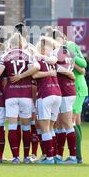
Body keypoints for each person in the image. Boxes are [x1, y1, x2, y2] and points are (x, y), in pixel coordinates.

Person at [0, 32, 40, 164]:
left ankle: (15, 157)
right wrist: (22, 75)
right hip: (26, 95)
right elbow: (37, 67)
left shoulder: (5, 56)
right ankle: (26, 157)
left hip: (11, 96)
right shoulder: (28, 55)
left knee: (12, 127)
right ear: (22, 43)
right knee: (26, 128)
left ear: (10, 43)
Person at [47, 29, 87, 164]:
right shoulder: (63, 50)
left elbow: (83, 67)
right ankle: (61, 155)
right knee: (64, 123)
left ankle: (75, 156)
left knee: (70, 123)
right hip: (66, 89)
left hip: (73, 88)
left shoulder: (68, 48)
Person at [32, 37, 62, 165]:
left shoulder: (38, 59)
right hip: (57, 94)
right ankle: (53, 155)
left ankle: (49, 158)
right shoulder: (53, 60)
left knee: (44, 128)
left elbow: (34, 75)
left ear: (42, 49)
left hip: (45, 95)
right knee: (50, 127)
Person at [54, 44, 78, 165]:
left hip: (65, 92)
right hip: (69, 90)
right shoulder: (69, 53)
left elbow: (54, 66)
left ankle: (73, 157)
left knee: (67, 124)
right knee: (61, 125)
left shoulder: (57, 52)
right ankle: (59, 155)